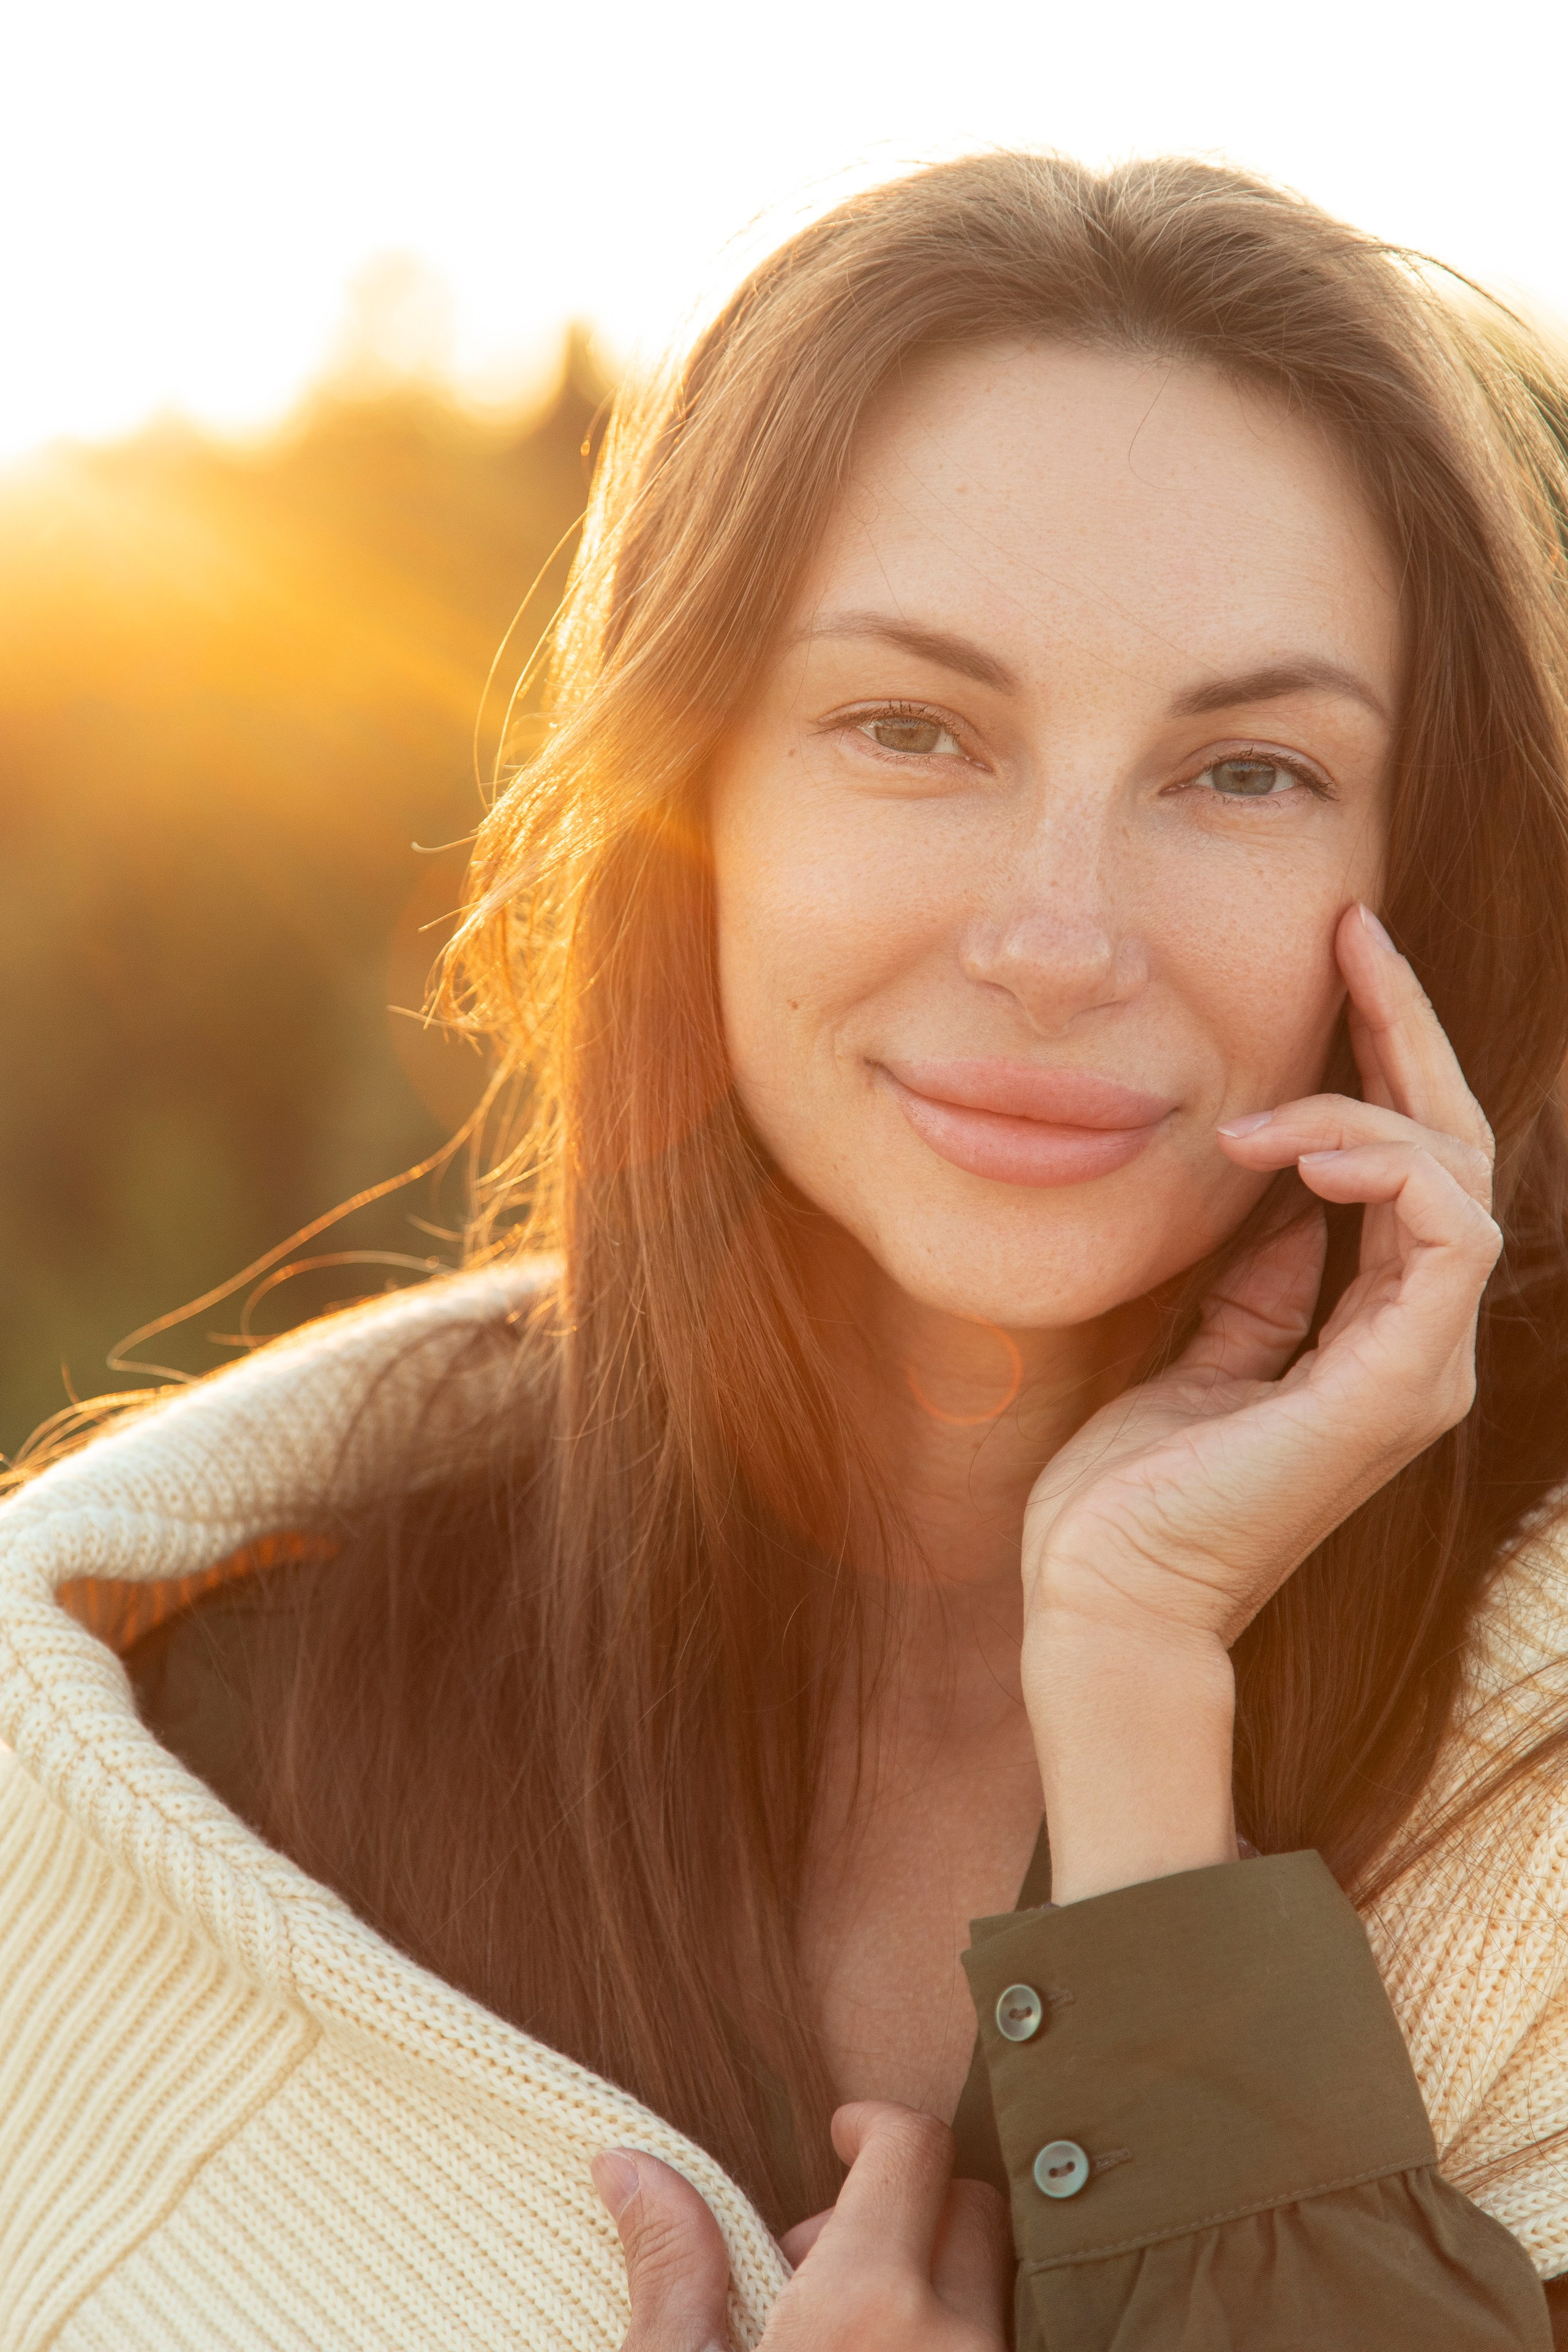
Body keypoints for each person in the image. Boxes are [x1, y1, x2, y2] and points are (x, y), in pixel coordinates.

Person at [5, 151, 1568, 2351]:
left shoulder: (1543, 1784)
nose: (1056, 938)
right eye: (912, 730)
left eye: (1245, 771)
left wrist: (1135, 1693)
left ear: (1430, 866)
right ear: (692, 787)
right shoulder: (188, 1736)